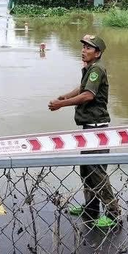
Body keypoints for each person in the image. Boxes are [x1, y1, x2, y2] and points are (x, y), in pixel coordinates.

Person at [48, 34, 121, 230]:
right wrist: (66, 95)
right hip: (89, 128)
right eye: (83, 47)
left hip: (96, 128)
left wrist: (62, 104)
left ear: (97, 53)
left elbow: (88, 95)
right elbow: (82, 88)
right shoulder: (89, 69)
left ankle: (113, 214)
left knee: (97, 173)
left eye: (89, 48)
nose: (84, 50)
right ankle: (91, 208)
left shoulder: (97, 69)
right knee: (87, 171)